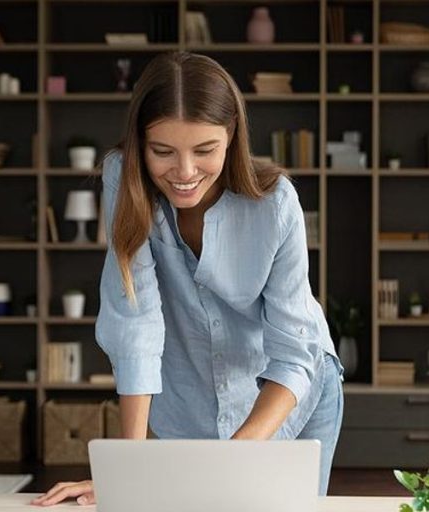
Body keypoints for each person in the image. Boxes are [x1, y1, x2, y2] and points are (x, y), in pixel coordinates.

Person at [32, 52, 344, 507]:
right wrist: (127, 474)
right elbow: (134, 323)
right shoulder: (124, 179)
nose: (183, 173)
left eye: (204, 150)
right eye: (162, 151)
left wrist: (229, 463)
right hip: (188, 393)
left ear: (231, 136)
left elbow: (294, 355)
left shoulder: (275, 204)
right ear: (140, 142)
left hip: (286, 398)